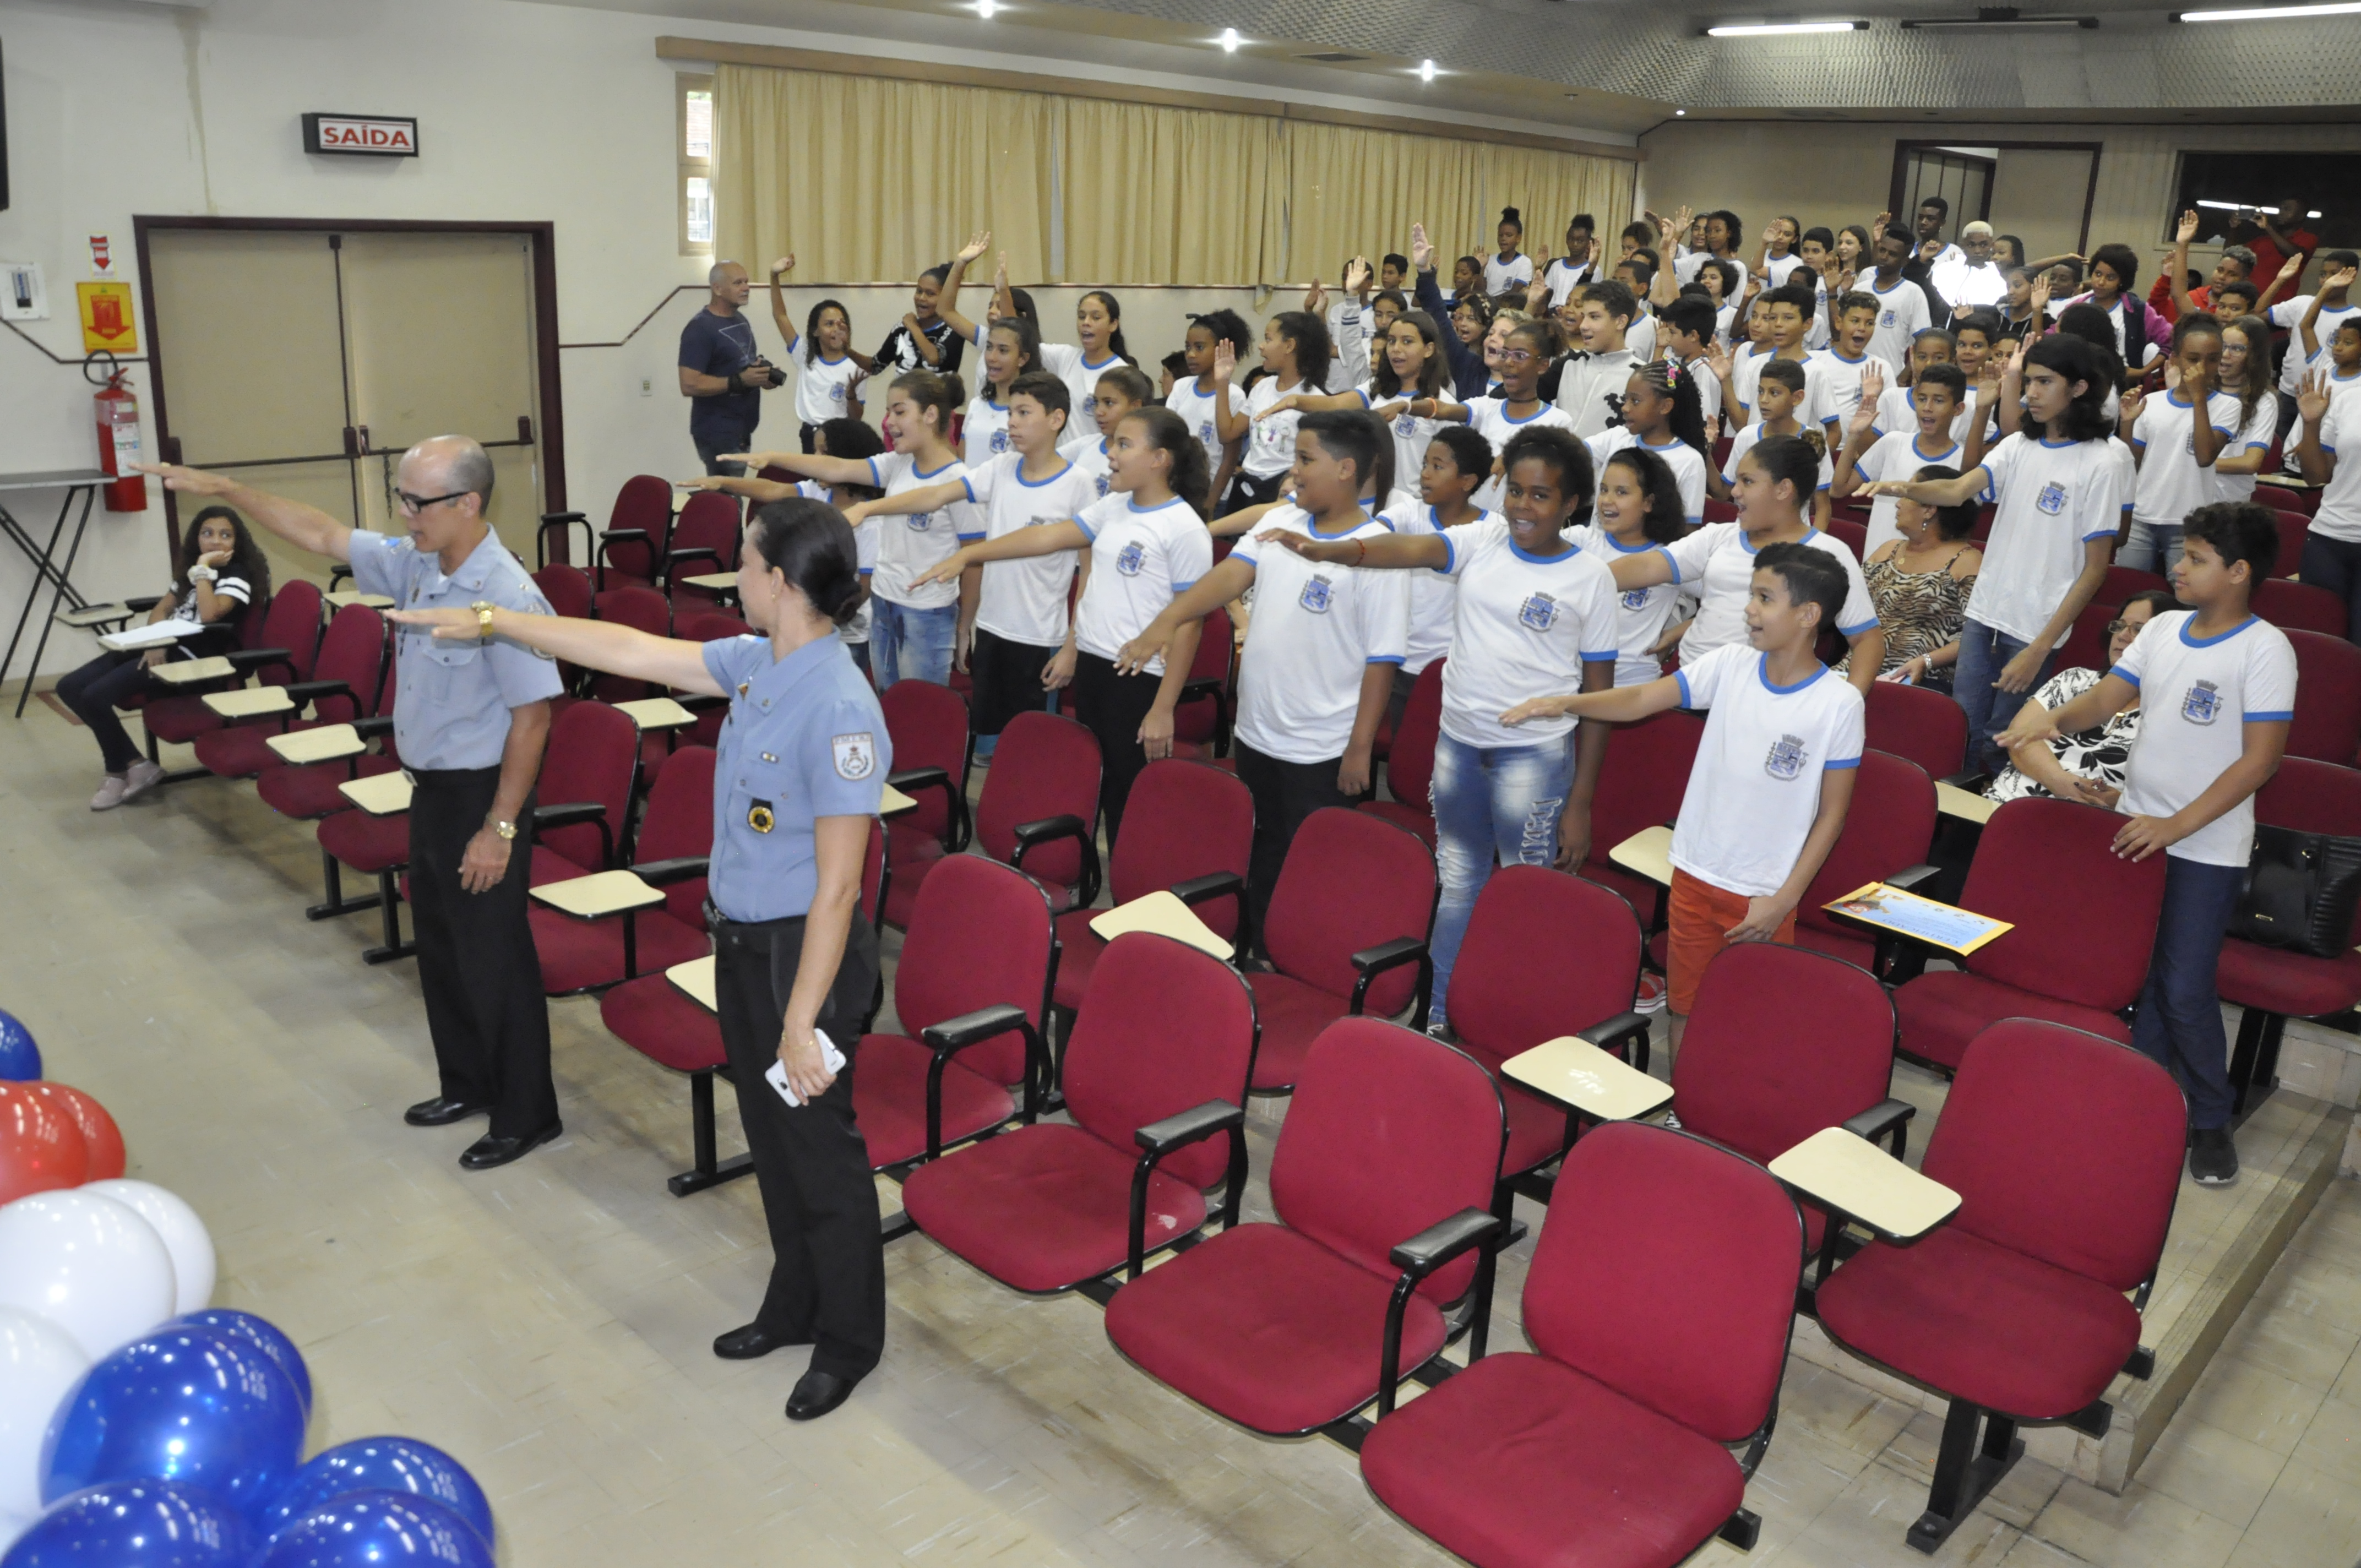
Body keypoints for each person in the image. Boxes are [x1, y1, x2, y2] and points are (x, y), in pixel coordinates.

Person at [396, 497, 890, 1411]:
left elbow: (840, 887)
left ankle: (850, 1339)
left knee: (819, 1149)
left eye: (745, 563)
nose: (734, 576)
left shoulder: (839, 707)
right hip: (742, 940)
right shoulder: (757, 663)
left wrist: (799, 1021)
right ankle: (795, 1302)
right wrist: (497, 619)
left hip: (802, 960)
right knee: (772, 1140)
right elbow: (625, 649)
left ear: (780, 582)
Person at [140, 438, 564, 1169]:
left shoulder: (507, 594)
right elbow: (322, 533)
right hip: (431, 788)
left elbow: (533, 720)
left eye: (417, 502)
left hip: (483, 795)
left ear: (468, 503)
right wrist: (229, 490)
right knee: (442, 947)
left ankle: (528, 1114)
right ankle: (467, 1083)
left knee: (493, 957)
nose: (405, 514)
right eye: (402, 498)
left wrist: (498, 829)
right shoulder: (420, 562)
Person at [1250, 425, 1615, 1030]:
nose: (1523, 507)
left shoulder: (1591, 578)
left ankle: (1510, 1023)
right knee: (1460, 883)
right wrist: (1332, 551)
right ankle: (1441, 1017)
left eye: (1541, 495)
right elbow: (1411, 551)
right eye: (1515, 491)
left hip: (1532, 758)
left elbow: (1600, 699)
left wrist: (1580, 802)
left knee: (1525, 894)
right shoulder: (1483, 539)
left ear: (1571, 504)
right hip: (1459, 746)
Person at [1999, 503, 2294, 1186]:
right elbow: (2105, 700)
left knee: (2184, 987)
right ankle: (2137, 1101)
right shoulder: (2162, 629)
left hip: (2204, 844)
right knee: (2136, 980)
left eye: (2194, 558)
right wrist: (2046, 724)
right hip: (2135, 831)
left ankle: (2211, 1119)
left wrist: (2175, 824)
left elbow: (2260, 762)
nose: (2176, 567)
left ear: (2239, 572)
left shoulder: (2264, 648)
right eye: (2181, 553)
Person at [1504, 543, 1862, 1027]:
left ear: (1808, 614)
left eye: (1764, 598)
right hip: (1694, 873)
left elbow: (1832, 814)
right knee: (1684, 1008)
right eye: (1751, 595)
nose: (1749, 609)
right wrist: (1567, 703)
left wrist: (1784, 900)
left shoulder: (1839, 703)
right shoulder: (1730, 663)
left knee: (1746, 1022)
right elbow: (1640, 699)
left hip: (1762, 893)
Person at [1117, 412, 1407, 934]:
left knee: (1312, 863)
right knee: (1261, 849)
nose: (1293, 472)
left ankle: (1299, 952)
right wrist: (1167, 620)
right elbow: (1231, 575)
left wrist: (1360, 747)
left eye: (1305, 459)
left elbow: (1381, 661)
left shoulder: (1375, 551)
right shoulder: (1283, 522)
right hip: (1258, 731)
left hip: (1321, 745)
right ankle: (1256, 946)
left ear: (1346, 470)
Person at [910, 406, 1214, 846]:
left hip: (1138, 678)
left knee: (1127, 795)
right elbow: (1047, 536)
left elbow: (1189, 623)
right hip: (1094, 664)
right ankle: (1085, 868)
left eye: (1124, 445)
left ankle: (1134, 877)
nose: (1110, 454)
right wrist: (970, 554)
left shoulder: (1184, 528)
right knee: (1094, 781)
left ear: (1159, 459)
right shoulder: (1114, 506)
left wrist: (1164, 708)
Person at [1864, 335, 2131, 770]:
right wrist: (1900, 487)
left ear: (2079, 388)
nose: (2031, 394)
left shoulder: (2103, 461)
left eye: (2045, 382)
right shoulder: (2018, 445)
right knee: (1962, 727)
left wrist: (2040, 648)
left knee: (2003, 741)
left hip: (2035, 626)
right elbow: (1957, 490)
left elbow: (2095, 568)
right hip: (1985, 613)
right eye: (2028, 382)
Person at [844, 371, 1093, 759]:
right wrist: (868, 508)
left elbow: (1089, 576)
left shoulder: (1079, 483)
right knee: (986, 754)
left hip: (1040, 639)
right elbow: (935, 496)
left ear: (1056, 419)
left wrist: (1071, 648)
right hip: (992, 631)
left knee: (1032, 751)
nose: (1012, 422)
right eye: (1010, 413)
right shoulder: (1001, 467)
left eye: (1024, 413)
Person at [724, 370, 975, 687]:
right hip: (885, 603)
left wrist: (965, 626)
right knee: (885, 699)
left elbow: (974, 559)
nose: (889, 422)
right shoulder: (897, 464)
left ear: (930, 415)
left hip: (927, 614)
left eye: (899, 412)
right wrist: (773, 457)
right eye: (888, 412)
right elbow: (838, 466)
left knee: (917, 705)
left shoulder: (960, 481)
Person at [1608, 434, 1883, 696]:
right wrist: (1588, 577)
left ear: (1783, 489)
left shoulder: (1828, 554)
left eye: (1748, 481)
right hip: (1689, 688)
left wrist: (1849, 702)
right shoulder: (1719, 536)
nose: (1735, 492)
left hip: (1761, 700)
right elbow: (1647, 567)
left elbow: (1868, 640)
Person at [58, 503, 270, 809]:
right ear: (196, 538)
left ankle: (116, 771)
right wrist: (157, 639)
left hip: (193, 660)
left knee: (94, 697)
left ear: (237, 542)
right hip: (163, 646)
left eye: (226, 535)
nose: (216, 541)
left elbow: (210, 615)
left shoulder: (237, 575)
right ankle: (137, 764)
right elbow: (160, 611)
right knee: (69, 686)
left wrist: (204, 569)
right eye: (208, 533)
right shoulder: (189, 572)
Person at [1985, 590, 2177, 803]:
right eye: (2120, 626)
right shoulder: (2074, 679)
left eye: (2139, 630)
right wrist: (2062, 783)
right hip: (2006, 803)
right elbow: (2019, 737)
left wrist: (2121, 803)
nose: (2123, 635)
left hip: (2090, 818)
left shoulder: (2170, 714)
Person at [2121, 313, 2240, 573]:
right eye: (2193, 359)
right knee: (2131, 586)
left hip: (2190, 523)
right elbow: (2132, 462)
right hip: (2142, 518)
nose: (2202, 368)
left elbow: (2205, 456)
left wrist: (2198, 398)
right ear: (2175, 359)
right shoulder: (2152, 402)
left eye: (2212, 360)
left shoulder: (2228, 406)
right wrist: (2127, 424)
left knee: (2184, 591)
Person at [1845, 465, 1981, 690]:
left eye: (1907, 496)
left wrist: (1926, 661)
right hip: (1858, 668)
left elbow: (1976, 638)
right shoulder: (1887, 550)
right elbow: (1848, 606)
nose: (1898, 504)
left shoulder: (1966, 561)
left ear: (1929, 509)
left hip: (1923, 678)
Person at [1579, 445, 1690, 694]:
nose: (1607, 500)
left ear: (1649, 502)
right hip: (1574, 680)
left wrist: (1680, 631)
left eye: (1621, 492)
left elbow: (1729, 596)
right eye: (1604, 490)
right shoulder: (1580, 541)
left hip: (1634, 688)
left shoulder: (1672, 559)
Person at [1834, 361, 1968, 553]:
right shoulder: (1893, 442)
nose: (1927, 407)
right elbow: (1838, 490)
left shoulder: (1965, 463)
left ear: (1958, 409)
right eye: (1922, 399)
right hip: (1877, 560)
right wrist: (1854, 436)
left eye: (1938, 401)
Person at [680, 260, 780, 475]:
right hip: (717, 431)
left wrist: (761, 376)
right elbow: (689, 384)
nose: (746, 288)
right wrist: (739, 381)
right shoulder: (700, 328)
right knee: (727, 492)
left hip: (742, 428)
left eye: (746, 282)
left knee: (733, 490)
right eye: (738, 283)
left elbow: (741, 366)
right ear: (717, 288)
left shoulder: (740, 320)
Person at [1228, 311, 1332, 512]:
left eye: (1268, 339)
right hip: (1247, 487)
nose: (1261, 346)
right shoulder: (1262, 387)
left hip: (1282, 489)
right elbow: (1229, 433)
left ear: (1289, 346)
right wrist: (1222, 381)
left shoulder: (1315, 400)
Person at [1716, 357, 1834, 530]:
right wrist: (1707, 450)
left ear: (1797, 397)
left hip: (1792, 538)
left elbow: (1823, 508)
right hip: (1747, 533)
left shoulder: (1812, 441)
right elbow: (1723, 493)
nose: (1764, 400)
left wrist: (1809, 543)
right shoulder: (1746, 436)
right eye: (1760, 391)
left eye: (1774, 393)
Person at [767, 262, 866, 453]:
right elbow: (780, 316)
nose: (836, 329)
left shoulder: (856, 367)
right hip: (810, 435)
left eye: (841, 324)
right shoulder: (804, 353)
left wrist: (851, 394)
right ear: (815, 331)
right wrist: (774, 276)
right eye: (829, 324)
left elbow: (857, 417)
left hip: (841, 436)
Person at [2293, 367, 2361, 639]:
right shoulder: (2348, 400)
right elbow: (2315, 476)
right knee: (2319, 641)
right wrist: (2311, 423)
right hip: (2329, 538)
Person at [1167, 311, 1252, 502]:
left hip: (1214, 494)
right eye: (1187, 347)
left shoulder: (1235, 396)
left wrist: (1211, 503)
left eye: (1199, 347)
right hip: (1177, 490)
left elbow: (1230, 460)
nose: (1191, 354)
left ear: (1221, 351)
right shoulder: (1181, 386)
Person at [1935, 222, 2009, 314]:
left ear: (1992, 246)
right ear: (1963, 245)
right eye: (1971, 245)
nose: (1977, 251)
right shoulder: (1945, 270)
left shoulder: (1999, 279)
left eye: (1983, 245)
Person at [1542, 214, 1601, 307]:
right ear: (1566, 239)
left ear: (1589, 242)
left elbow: (1595, 300)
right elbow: (1546, 293)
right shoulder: (1556, 265)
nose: (1575, 244)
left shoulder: (1594, 270)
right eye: (1571, 239)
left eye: (1580, 241)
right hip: (1553, 311)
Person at [1484, 208, 1535, 298]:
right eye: (1501, 235)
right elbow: (1479, 291)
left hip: (1509, 306)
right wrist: (1481, 268)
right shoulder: (1490, 260)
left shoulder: (1524, 262)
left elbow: (1514, 293)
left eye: (1509, 235)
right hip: (1487, 304)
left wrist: (1490, 302)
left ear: (1519, 238)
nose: (1503, 239)